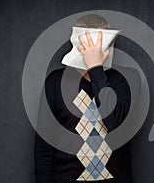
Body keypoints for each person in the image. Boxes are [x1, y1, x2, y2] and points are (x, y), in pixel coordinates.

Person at [34, 14, 133, 183]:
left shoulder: (125, 79)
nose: (94, 49)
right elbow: (44, 145)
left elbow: (113, 121)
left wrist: (95, 69)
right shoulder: (55, 82)